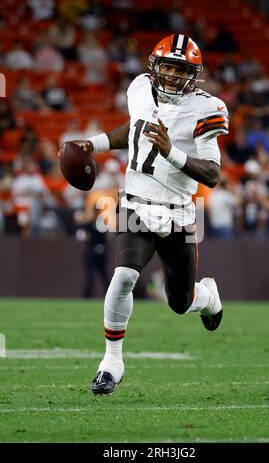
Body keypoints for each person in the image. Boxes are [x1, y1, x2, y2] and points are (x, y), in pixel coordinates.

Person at [68, 34, 229, 395]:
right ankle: (111, 362)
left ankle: (209, 299)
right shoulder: (140, 88)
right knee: (124, 275)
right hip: (135, 203)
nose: (172, 75)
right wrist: (93, 144)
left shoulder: (206, 109)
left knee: (180, 302)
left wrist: (172, 153)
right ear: (154, 68)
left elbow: (213, 174)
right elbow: (136, 130)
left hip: (180, 213)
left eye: (180, 69)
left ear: (194, 74)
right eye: (168, 67)